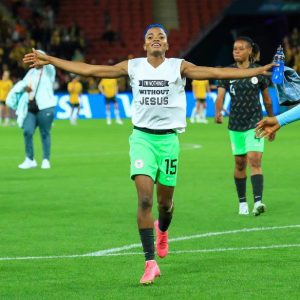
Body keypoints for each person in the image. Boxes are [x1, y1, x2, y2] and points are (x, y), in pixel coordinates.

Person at [23, 24, 275, 285]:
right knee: (145, 200)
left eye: (161, 37)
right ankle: (149, 262)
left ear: (167, 45)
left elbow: (216, 71)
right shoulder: (133, 66)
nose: (155, 40)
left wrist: (257, 69)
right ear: (144, 45)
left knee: (165, 205)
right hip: (141, 138)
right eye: (150, 37)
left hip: (168, 141)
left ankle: (163, 230)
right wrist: (49, 58)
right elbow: (90, 70)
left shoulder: (179, 66)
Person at [215, 36, 275, 217]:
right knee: (240, 163)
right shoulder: (227, 71)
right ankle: (243, 203)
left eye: (241, 48)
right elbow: (220, 96)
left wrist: (272, 120)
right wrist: (218, 111)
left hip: (255, 122)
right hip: (235, 124)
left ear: (250, 51)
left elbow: (267, 99)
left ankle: (258, 201)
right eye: (234, 48)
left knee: (254, 160)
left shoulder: (259, 71)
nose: (236, 51)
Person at [13, 50, 56, 169]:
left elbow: (51, 63)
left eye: (38, 58)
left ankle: (46, 159)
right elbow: (24, 84)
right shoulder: (31, 72)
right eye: (34, 58)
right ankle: (29, 159)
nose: (35, 61)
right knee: (27, 131)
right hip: (31, 107)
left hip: (46, 106)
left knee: (45, 133)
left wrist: (44, 58)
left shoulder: (49, 71)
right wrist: (25, 88)